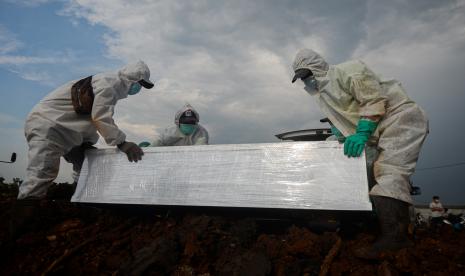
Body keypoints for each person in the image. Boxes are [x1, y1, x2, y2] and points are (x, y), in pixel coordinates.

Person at [291, 49, 429, 258]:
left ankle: (396, 238)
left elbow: (373, 100)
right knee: (364, 174)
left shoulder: (349, 70)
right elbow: (347, 114)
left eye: (307, 74)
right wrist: (343, 130)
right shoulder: (325, 94)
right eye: (302, 78)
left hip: (399, 120)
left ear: (317, 67)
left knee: (389, 172)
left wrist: (362, 131)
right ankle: (374, 228)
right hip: (376, 129)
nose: (307, 81)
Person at [11, 61, 155, 235]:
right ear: (132, 80)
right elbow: (100, 117)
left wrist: (87, 141)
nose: (138, 90)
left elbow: (85, 116)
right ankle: (22, 219)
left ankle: (80, 199)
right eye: (139, 85)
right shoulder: (109, 84)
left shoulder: (109, 85)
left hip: (66, 129)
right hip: (48, 125)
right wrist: (122, 143)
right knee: (43, 170)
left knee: (87, 163)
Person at [139, 103, 209, 147]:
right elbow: (158, 142)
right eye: (185, 122)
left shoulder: (201, 132)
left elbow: (200, 148)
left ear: (196, 123)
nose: (188, 124)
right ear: (177, 122)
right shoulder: (170, 132)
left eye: (191, 122)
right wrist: (148, 150)